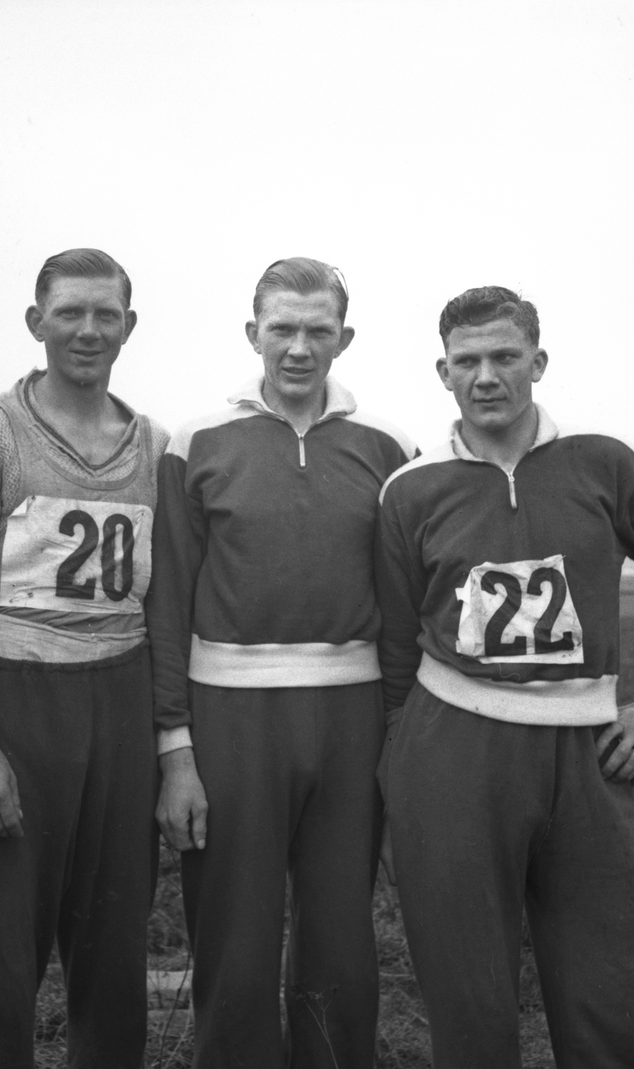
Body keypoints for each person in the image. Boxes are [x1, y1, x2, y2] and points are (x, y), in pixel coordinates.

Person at [373, 285, 634, 1068]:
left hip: (586, 753)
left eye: (505, 356)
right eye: (467, 361)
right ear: (443, 372)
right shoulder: (410, 489)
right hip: (451, 750)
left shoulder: (606, 462)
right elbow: (396, 645)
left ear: (538, 362)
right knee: (468, 992)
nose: (486, 377)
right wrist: (400, 771)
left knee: (620, 987)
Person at [149, 258, 417, 1068]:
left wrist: (400, 741)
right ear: (253, 333)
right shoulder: (197, 443)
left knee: (341, 942)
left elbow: (402, 608)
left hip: (351, 716)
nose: (299, 347)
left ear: (345, 337)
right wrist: (176, 749)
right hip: (231, 714)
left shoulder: (389, 447)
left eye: (317, 330)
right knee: (235, 937)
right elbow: (168, 604)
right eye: (282, 329)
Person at [0, 248, 167, 1068]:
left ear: (129, 326)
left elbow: (159, 599)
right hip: (17, 702)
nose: (88, 330)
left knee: (113, 947)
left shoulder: (154, 443)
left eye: (105, 315)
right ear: (37, 322)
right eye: (69, 313)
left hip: (121, 700)